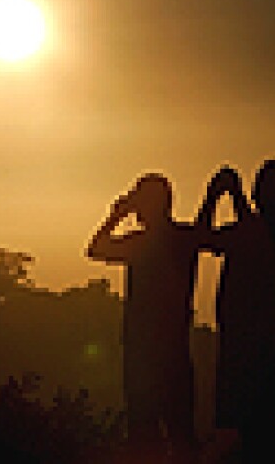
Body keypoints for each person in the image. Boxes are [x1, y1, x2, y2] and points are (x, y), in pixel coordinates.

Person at [87, 173, 218, 460]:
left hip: (143, 349)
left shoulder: (141, 243)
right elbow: (206, 233)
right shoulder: (183, 238)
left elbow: (96, 248)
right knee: (180, 432)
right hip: (173, 346)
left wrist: (115, 216)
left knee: (144, 433)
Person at [196, 161, 275, 463]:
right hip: (242, 336)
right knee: (246, 426)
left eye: (263, 184)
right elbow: (202, 238)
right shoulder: (255, 226)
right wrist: (212, 198)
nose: (256, 189)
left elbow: (256, 241)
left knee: (263, 426)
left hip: (261, 339)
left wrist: (233, 195)